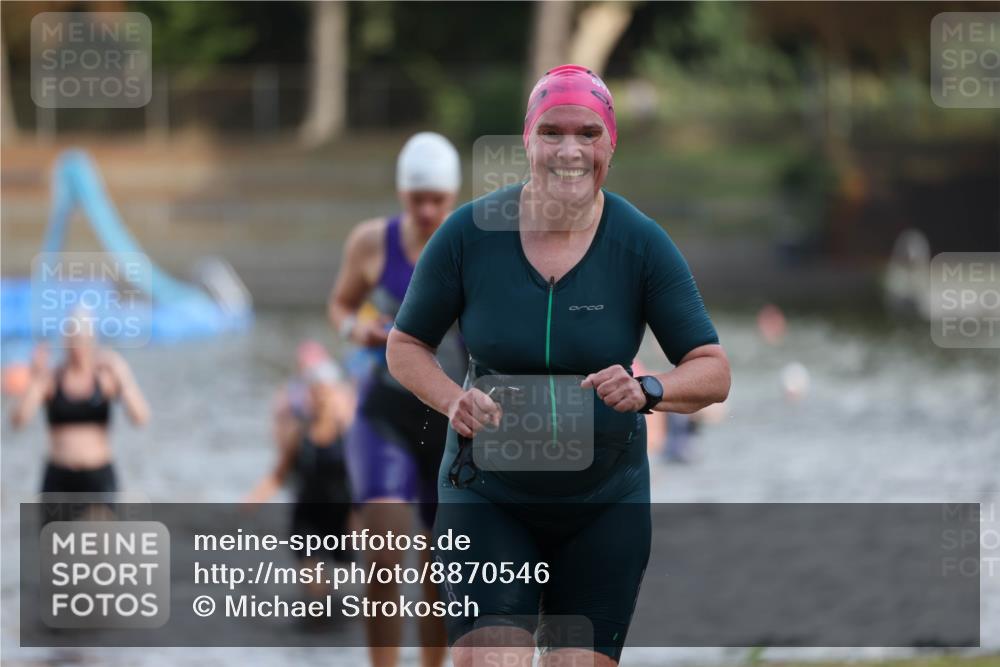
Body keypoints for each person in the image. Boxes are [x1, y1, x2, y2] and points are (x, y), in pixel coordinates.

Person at [386, 65, 731, 666]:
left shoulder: (640, 244)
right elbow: (404, 344)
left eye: (587, 133)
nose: (569, 150)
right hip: (487, 495)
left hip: (604, 505)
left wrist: (649, 387)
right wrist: (450, 398)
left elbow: (713, 369)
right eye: (552, 132)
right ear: (528, 141)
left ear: (610, 145)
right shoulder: (469, 233)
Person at [327, 132, 466, 667]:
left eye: (438, 200)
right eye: (418, 199)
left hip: (448, 421)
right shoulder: (371, 242)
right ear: (401, 194)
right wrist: (354, 331)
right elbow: (340, 304)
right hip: (383, 413)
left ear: (453, 196)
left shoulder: (469, 245)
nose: (428, 211)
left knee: (438, 570)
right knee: (383, 556)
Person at [10, 313, 150, 522]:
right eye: (73, 339)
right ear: (65, 342)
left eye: (83, 339)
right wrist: (35, 378)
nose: (78, 347)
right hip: (60, 477)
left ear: (92, 341)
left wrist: (122, 372)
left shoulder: (105, 379)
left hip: (97, 476)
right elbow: (18, 421)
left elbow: (141, 418)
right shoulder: (50, 379)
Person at [245, 348, 356, 601]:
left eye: (326, 392)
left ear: (337, 394)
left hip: (341, 518)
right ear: (309, 395)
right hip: (306, 517)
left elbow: (363, 482)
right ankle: (313, 630)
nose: (321, 399)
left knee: (346, 594)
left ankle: (336, 631)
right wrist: (254, 499)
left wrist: (358, 520)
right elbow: (279, 474)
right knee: (315, 590)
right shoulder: (299, 433)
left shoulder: (348, 435)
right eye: (316, 392)